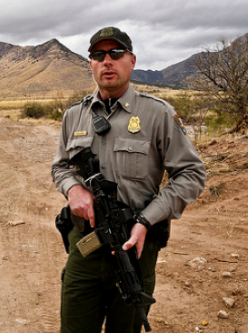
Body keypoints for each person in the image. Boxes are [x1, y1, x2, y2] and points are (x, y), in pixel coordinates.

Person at [51, 27, 206, 333]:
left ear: (131, 61)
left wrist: (146, 220)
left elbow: (192, 173)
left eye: (115, 53)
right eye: (98, 55)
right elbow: (61, 167)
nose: (107, 61)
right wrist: (74, 190)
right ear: (91, 64)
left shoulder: (157, 114)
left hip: (135, 250)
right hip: (85, 248)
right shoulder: (74, 116)